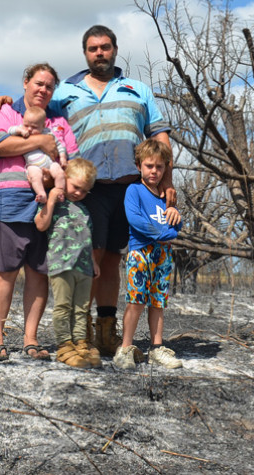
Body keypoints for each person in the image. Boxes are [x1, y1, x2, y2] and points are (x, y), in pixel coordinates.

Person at [0, 26, 174, 357]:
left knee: (115, 259)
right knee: (88, 260)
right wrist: (7, 101)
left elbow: (159, 136)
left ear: (115, 49)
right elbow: (33, 103)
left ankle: (106, 331)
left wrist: (168, 182)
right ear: (85, 53)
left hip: (131, 187)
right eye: (93, 48)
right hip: (89, 189)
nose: (99, 53)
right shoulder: (66, 91)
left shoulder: (137, 89)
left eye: (105, 47)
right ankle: (80, 335)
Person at [0, 63, 79, 362]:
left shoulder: (60, 121)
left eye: (49, 86)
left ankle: (31, 338)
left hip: (48, 202)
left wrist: (53, 178)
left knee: (39, 272)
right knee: (5, 271)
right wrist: (41, 141)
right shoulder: (7, 112)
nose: (43, 90)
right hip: (6, 200)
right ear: (25, 82)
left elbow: (71, 163)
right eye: (38, 83)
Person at [113, 139, 183, 370]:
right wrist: (163, 233)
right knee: (136, 301)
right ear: (139, 166)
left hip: (163, 256)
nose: (154, 171)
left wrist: (173, 214)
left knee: (158, 301)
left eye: (159, 167)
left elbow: (176, 227)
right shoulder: (134, 190)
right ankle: (125, 349)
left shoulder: (166, 197)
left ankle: (156, 348)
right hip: (140, 253)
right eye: (149, 166)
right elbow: (136, 221)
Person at [34, 158, 102, 369]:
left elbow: (87, 238)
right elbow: (40, 225)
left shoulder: (84, 211)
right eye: (75, 187)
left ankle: (81, 344)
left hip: (83, 267)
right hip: (61, 265)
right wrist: (52, 199)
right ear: (65, 179)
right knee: (63, 307)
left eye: (84, 191)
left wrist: (93, 262)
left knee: (82, 308)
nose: (79, 193)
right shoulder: (55, 204)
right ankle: (64, 346)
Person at [8, 105, 69, 203]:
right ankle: (41, 194)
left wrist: (62, 157)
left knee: (59, 172)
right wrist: (20, 130)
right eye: (26, 125)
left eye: (34, 127)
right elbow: (10, 130)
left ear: (43, 126)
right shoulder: (22, 130)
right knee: (34, 176)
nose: (29, 129)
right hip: (33, 165)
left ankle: (60, 191)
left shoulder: (48, 132)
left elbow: (59, 145)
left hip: (50, 163)